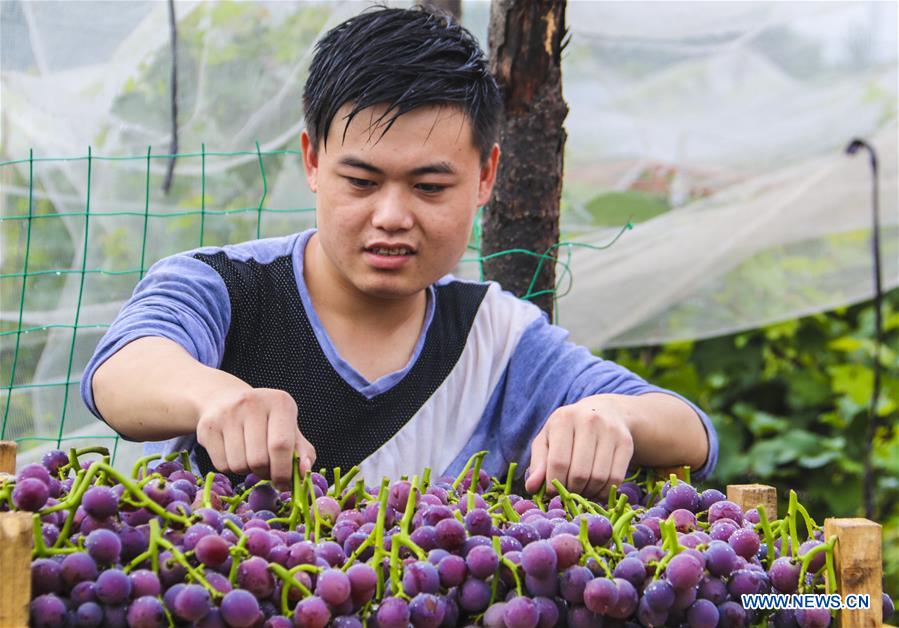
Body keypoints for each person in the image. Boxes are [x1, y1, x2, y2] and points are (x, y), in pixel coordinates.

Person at [82, 5, 717, 495]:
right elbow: (120, 372)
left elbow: (691, 432)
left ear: (486, 177)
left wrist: (611, 415)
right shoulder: (223, 288)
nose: (391, 217)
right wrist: (216, 398)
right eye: (361, 182)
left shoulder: (497, 339)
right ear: (312, 161)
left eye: (429, 187)